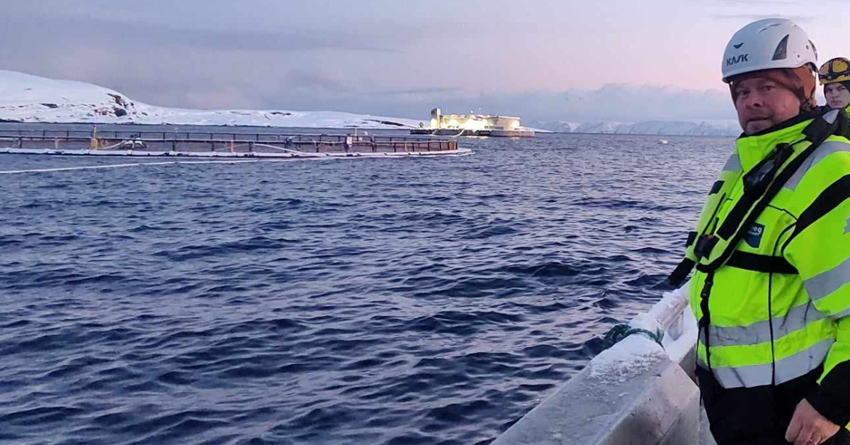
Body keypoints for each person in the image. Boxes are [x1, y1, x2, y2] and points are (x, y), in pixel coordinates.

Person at [667, 18, 850, 445]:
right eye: (742, 91)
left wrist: (833, 403)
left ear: (805, 88)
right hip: (736, 402)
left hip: (800, 412)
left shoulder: (830, 173)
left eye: (767, 87)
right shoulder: (749, 163)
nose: (751, 101)